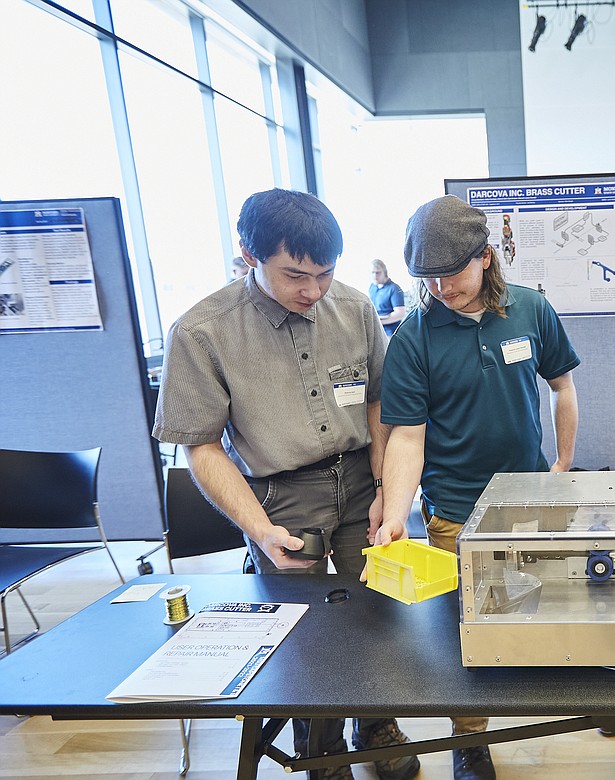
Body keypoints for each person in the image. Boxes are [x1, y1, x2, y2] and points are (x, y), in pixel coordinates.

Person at [153, 189, 418, 780]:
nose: (313, 291)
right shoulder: (202, 331)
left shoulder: (354, 309)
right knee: (304, 629)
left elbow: (376, 400)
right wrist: (259, 528)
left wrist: (382, 486)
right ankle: (321, 751)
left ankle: (374, 724)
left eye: (325, 274)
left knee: (374, 609)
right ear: (248, 254)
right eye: (295, 275)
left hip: (357, 476)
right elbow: (199, 446)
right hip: (278, 493)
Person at [369, 194, 580, 780]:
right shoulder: (413, 337)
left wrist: (562, 466)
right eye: (428, 278)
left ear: (486, 257)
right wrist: (394, 512)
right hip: (456, 512)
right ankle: (470, 738)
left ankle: (551, 705)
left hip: (530, 501)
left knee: (532, 609)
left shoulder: (532, 310)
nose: (441, 288)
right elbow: (406, 438)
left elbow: (562, 386)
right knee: (470, 631)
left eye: (453, 273)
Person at [369, 258, 407, 336]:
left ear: (385, 273)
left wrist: (379, 322)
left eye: (378, 273)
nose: (375, 276)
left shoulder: (394, 289)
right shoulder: (372, 287)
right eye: (373, 272)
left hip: (390, 331)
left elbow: (400, 313)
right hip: (375, 329)